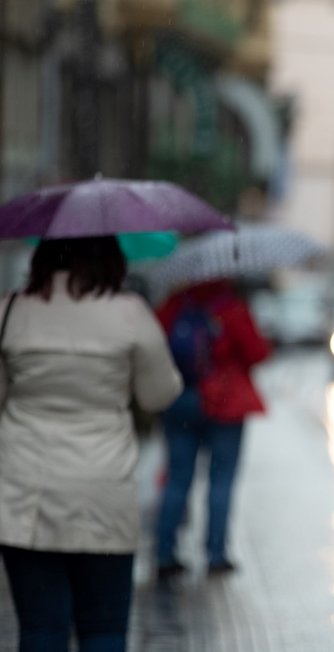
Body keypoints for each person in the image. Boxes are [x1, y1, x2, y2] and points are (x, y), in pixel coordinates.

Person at [0, 236, 183, 652]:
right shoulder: (129, 313)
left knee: (40, 630)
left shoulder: (11, 309)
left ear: (42, 256)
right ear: (111, 258)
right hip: (102, 492)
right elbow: (158, 394)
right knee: (104, 631)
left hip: (24, 493)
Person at [154, 278, 271, 580]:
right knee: (221, 480)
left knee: (177, 478)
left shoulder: (175, 304)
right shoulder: (231, 307)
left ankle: (164, 553)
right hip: (226, 403)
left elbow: (155, 346)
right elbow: (257, 352)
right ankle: (215, 554)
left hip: (181, 399)